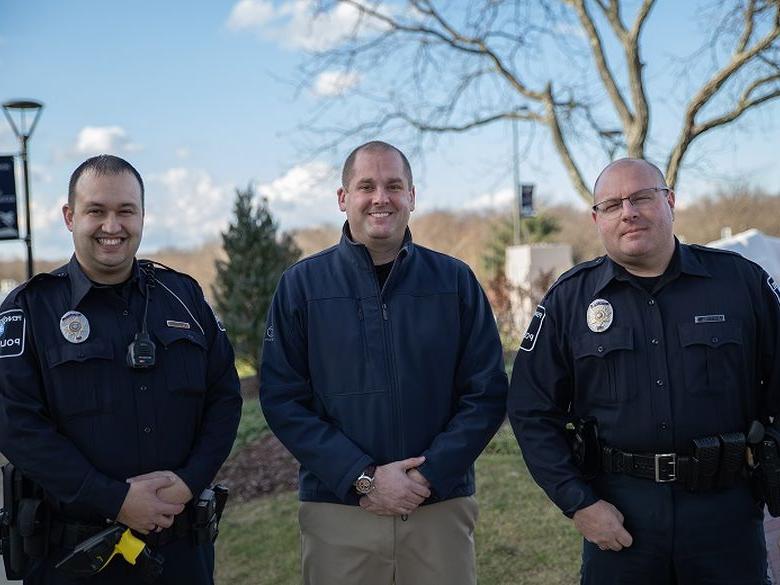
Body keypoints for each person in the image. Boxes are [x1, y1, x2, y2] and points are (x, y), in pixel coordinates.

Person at [508, 157, 780, 584]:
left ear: (670, 201)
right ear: (597, 219)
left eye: (641, 198)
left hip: (725, 510)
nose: (628, 212)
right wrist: (579, 503)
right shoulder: (569, 301)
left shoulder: (741, 284)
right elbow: (530, 410)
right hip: (619, 515)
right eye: (612, 205)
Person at [259, 140, 507, 585]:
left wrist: (427, 477)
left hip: (438, 508)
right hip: (338, 510)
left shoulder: (454, 282)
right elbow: (282, 400)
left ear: (412, 196)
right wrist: (363, 478)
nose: (381, 197)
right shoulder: (301, 287)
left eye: (394, 185)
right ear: (342, 198)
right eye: (366, 186)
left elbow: (486, 392)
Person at [0, 154, 242, 584]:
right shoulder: (29, 309)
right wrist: (116, 499)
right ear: (70, 216)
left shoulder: (183, 297)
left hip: (182, 552)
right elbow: (16, 426)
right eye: (96, 211)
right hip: (73, 558)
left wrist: (188, 482)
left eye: (125, 211)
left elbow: (224, 397)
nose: (112, 226)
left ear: (142, 216)